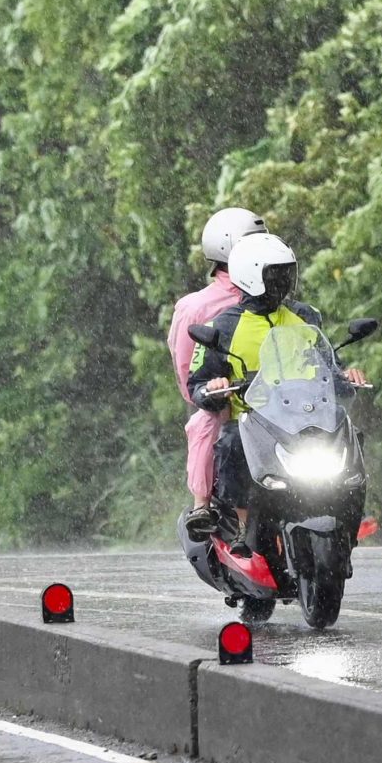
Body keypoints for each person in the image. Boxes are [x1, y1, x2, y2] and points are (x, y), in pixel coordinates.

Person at [189, 233, 360, 544]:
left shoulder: (306, 316)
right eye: (275, 274)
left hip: (307, 418)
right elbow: (197, 384)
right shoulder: (222, 327)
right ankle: (242, 527)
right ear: (251, 275)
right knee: (230, 442)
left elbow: (329, 366)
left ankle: (350, 516)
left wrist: (346, 377)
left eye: (286, 272)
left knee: (350, 433)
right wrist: (213, 387)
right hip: (255, 423)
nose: (284, 281)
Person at [173, 207, 261, 531]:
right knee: (207, 421)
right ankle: (203, 505)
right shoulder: (197, 307)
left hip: (277, 397)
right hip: (227, 398)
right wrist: (211, 390)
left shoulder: (273, 298)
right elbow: (189, 370)